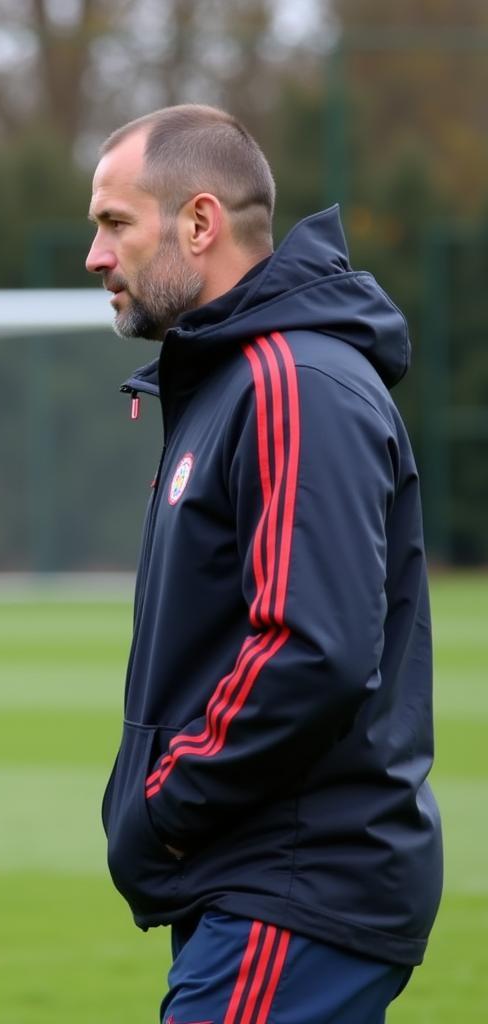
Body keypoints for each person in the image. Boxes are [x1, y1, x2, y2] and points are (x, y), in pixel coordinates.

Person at [86, 105, 442, 1023]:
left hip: (292, 882)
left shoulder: (290, 382)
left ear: (199, 224)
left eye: (114, 222)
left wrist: (163, 805)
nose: (95, 254)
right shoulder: (233, 379)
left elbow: (308, 650)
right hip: (262, 884)